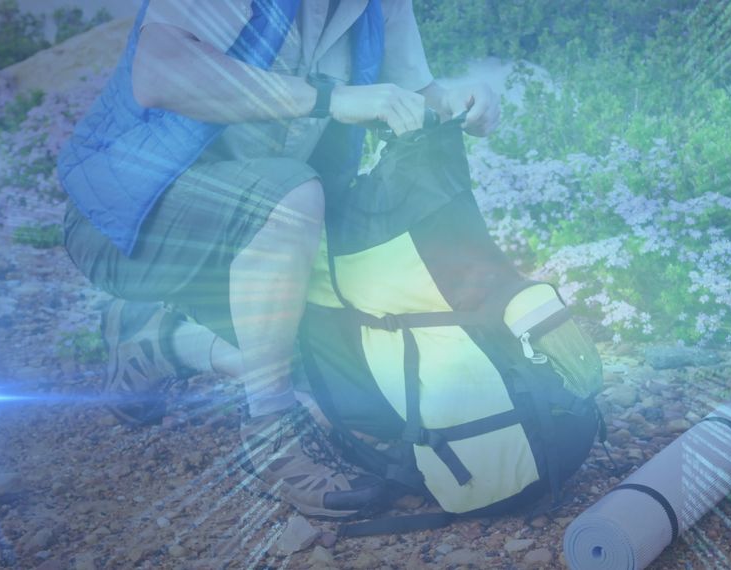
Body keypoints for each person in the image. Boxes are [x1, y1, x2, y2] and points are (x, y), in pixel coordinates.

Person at [57, 0, 499, 518]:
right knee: (291, 198)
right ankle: (271, 432)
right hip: (125, 222)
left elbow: (415, 92)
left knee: (350, 394)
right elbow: (160, 72)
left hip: (256, 241)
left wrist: (456, 99)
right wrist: (330, 99)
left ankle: (159, 340)